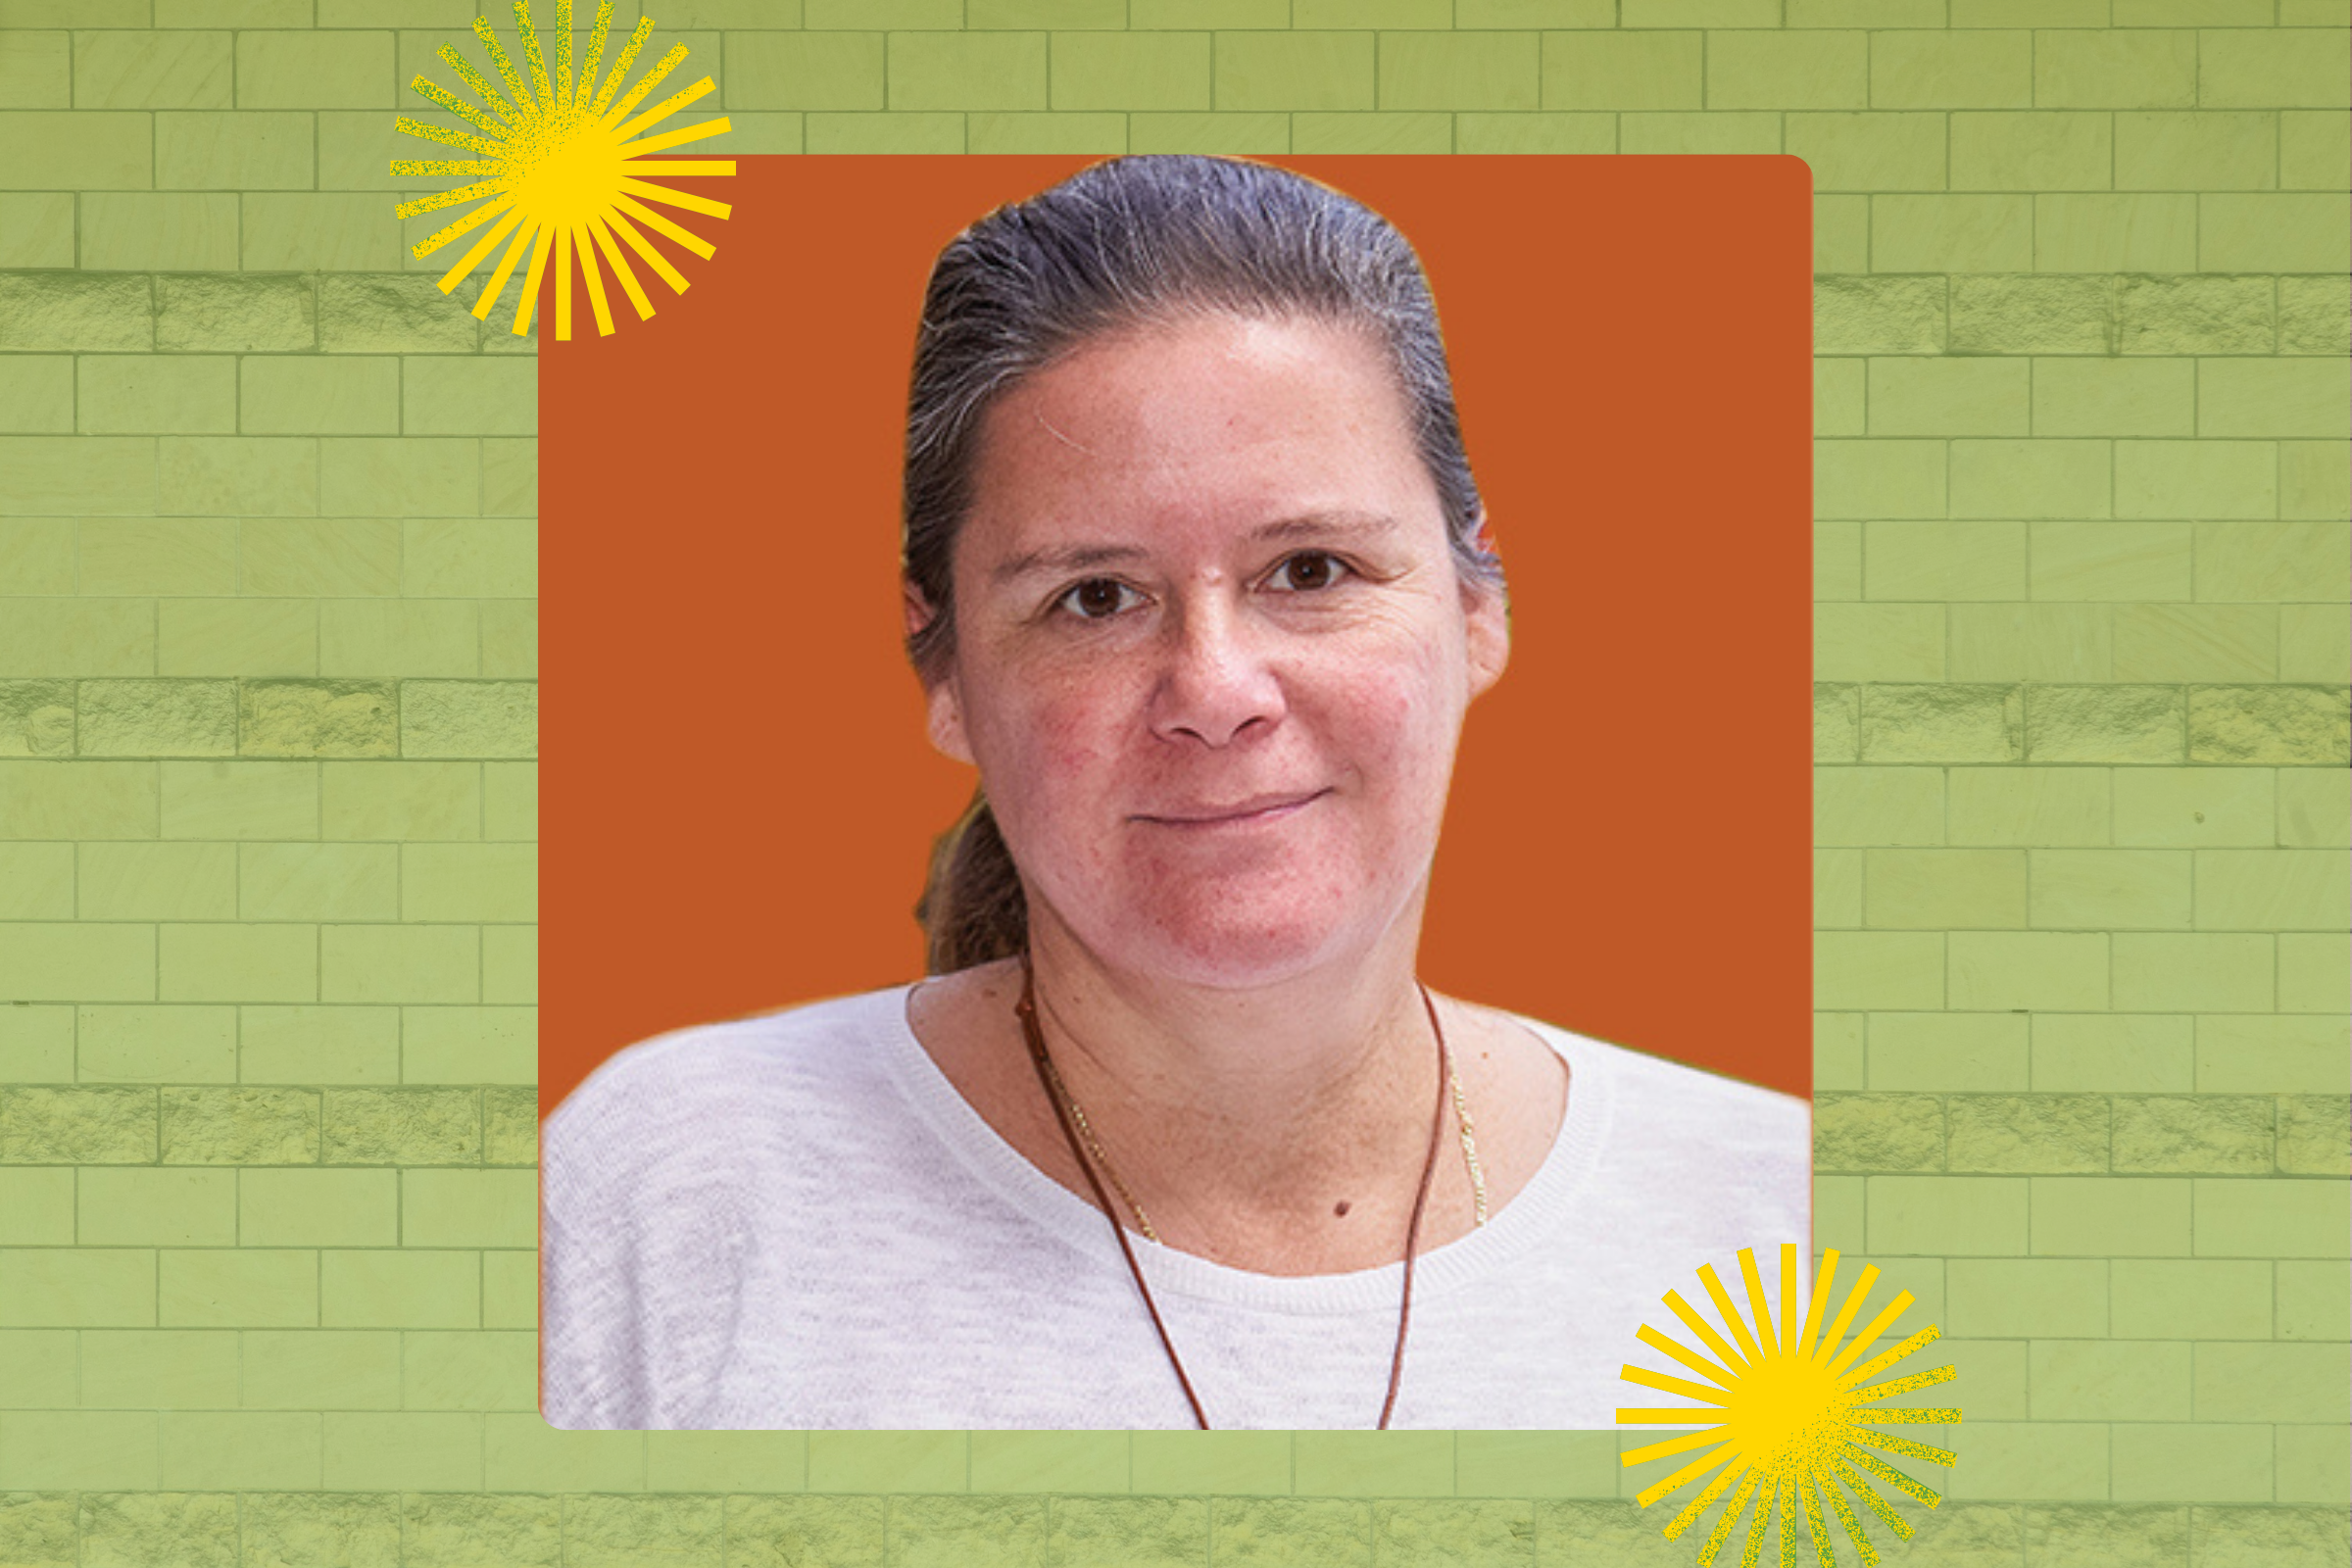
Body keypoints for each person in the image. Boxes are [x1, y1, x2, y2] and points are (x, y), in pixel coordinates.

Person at [541, 155, 1807, 1431]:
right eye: (1093, 598)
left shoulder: (1784, 1237)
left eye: (1311, 569)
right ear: (945, 673)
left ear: (1478, 609)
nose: (1216, 686)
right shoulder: (664, 1195)